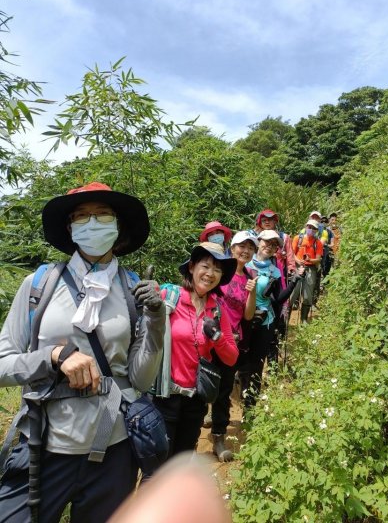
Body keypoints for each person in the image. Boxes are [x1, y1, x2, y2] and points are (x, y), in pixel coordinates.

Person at [0, 182, 165, 523]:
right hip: (43, 446)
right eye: (82, 216)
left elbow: (140, 379)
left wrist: (156, 319)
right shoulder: (39, 285)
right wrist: (52, 356)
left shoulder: (130, 289)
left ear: (118, 227)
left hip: (114, 449)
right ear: (70, 228)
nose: (92, 223)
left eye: (102, 215)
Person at [152, 242, 238, 461]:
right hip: (163, 397)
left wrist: (216, 337)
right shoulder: (168, 297)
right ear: (191, 267)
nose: (210, 274)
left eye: (217, 269)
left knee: (181, 463)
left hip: (195, 400)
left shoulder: (217, 309)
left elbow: (231, 357)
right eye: (205, 266)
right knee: (157, 466)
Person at [209, 231, 258, 462]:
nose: (245, 250)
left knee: (225, 388)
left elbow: (248, 315)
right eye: (242, 246)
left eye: (250, 247)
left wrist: (252, 291)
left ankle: (218, 436)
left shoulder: (250, 276)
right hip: (209, 336)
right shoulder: (221, 271)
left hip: (231, 341)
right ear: (232, 247)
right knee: (203, 384)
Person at [242, 230, 299, 408]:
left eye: (274, 244)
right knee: (241, 363)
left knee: (257, 364)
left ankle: (250, 406)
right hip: (242, 319)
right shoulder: (244, 264)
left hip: (264, 322)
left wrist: (293, 282)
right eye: (267, 241)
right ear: (259, 241)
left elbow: (277, 300)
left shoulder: (275, 271)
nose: (270, 246)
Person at [292, 219, 324, 323]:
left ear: (316, 230)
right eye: (309, 227)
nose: (311, 229)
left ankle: (304, 319)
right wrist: (298, 261)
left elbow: (319, 258)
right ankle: (284, 319)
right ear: (306, 227)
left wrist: (310, 260)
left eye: (313, 228)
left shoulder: (318, 243)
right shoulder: (298, 238)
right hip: (298, 267)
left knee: (307, 294)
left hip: (311, 268)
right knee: (293, 292)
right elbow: (292, 253)